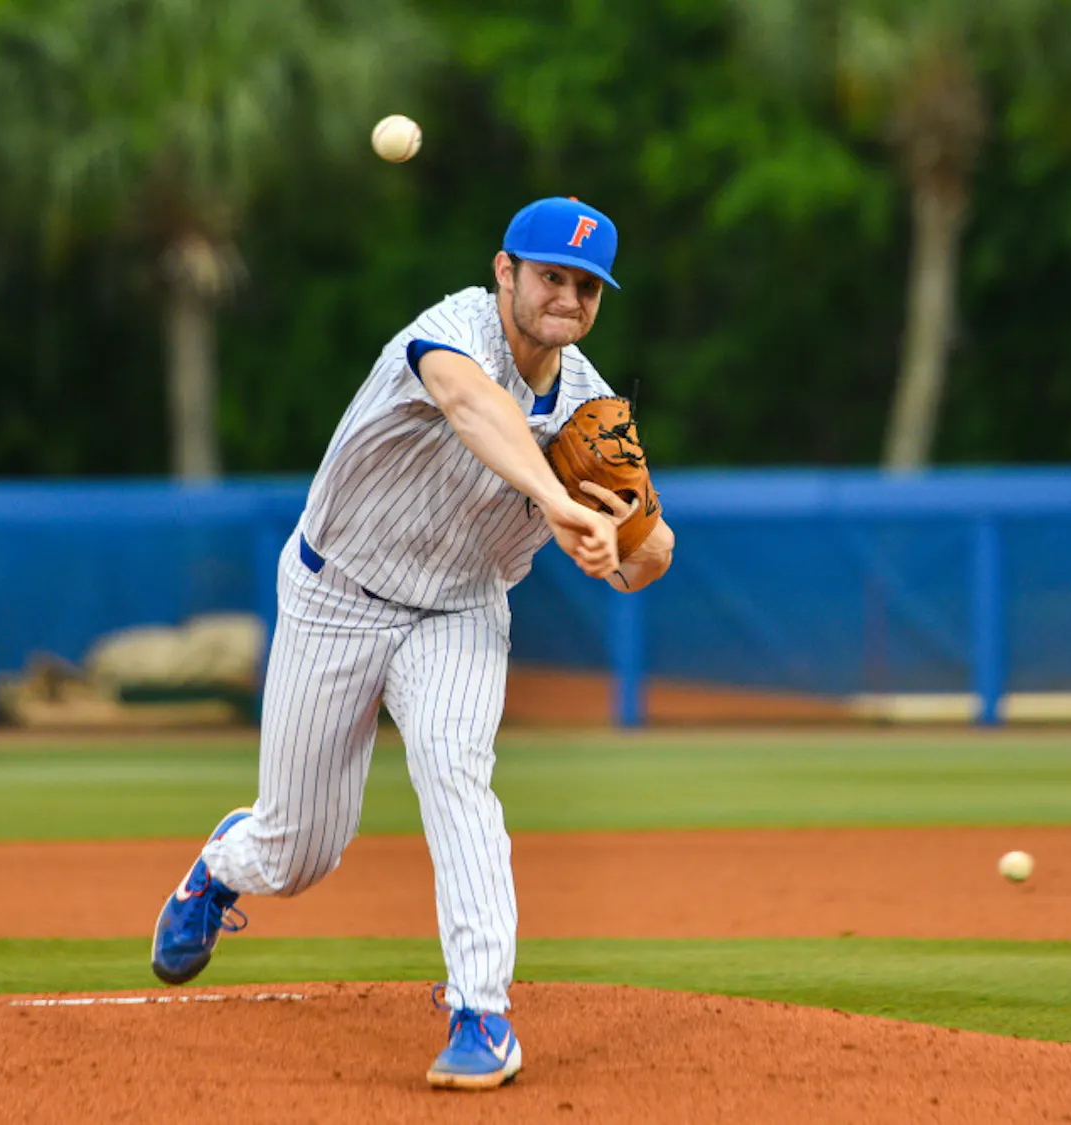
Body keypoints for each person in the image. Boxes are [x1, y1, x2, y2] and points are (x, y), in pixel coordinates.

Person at [150, 196, 676, 1089]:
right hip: (335, 594)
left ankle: (482, 1012)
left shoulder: (588, 402)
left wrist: (617, 550)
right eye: (552, 275)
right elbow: (473, 405)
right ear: (505, 271)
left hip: (460, 613)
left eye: (587, 286)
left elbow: (652, 548)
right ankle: (220, 867)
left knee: (455, 770)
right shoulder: (452, 327)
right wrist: (557, 505)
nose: (569, 298)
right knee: (298, 849)